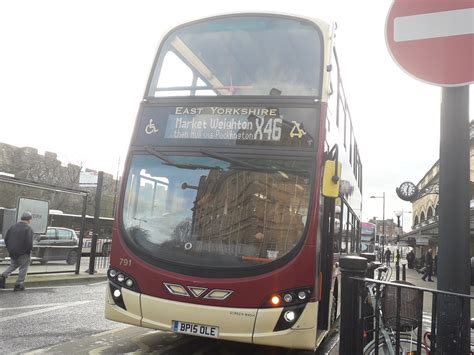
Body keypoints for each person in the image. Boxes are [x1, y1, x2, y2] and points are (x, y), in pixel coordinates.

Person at [0, 211, 34, 291]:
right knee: (23, 267)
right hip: (23, 253)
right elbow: (29, 242)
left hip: (13, 252)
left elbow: (6, 239)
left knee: (13, 265)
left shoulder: (13, 227)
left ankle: (2, 276)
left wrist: (10, 249)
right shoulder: (28, 228)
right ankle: (19, 284)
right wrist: (30, 250)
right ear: (29, 220)